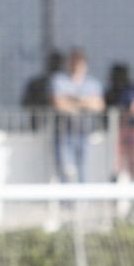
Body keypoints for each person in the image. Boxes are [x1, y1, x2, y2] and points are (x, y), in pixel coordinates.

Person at [49, 49, 104, 183]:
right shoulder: (60, 80)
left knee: (83, 169)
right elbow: (58, 104)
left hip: (84, 132)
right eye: (73, 64)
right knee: (66, 169)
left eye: (79, 64)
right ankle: (66, 203)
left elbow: (99, 105)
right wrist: (85, 102)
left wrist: (72, 101)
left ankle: (82, 202)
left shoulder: (93, 83)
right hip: (64, 133)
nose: (76, 67)